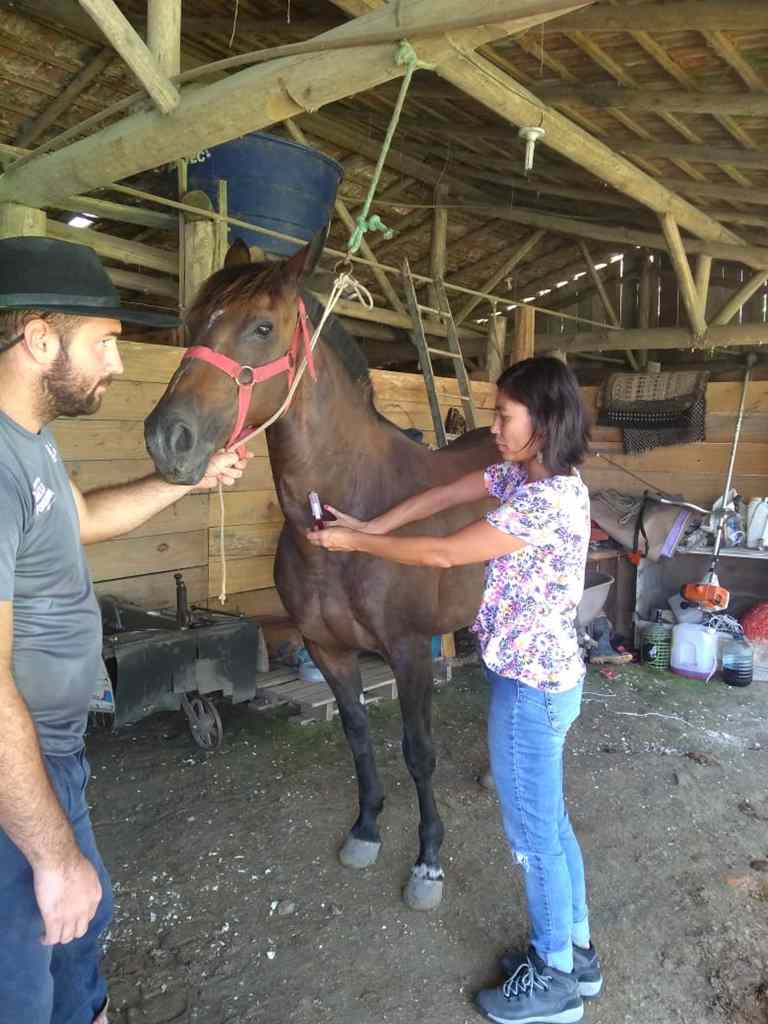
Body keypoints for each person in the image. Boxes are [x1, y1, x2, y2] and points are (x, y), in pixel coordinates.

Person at [0, 236, 252, 1024]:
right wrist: (47, 852)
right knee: (23, 975)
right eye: (105, 342)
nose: (116, 365)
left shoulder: (30, 444)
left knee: (79, 926)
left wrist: (190, 479)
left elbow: (84, 519)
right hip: (15, 770)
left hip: (53, 752)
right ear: (41, 339)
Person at [306, 356, 601, 1024]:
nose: (493, 426)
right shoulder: (530, 475)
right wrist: (375, 523)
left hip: (530, 692)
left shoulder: (544, 499)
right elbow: (444, 495)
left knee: (533, 837)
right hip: (544, 679)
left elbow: (442, 551)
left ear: (544, 421)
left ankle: (554, 979)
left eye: (505, 415)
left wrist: (358, 544)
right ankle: (576, 954)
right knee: (549, 824)